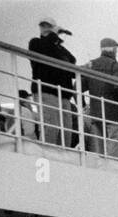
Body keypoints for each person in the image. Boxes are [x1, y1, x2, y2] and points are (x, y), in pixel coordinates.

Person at [82, 38, 118, 158]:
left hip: (95, 113)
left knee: (98, 143)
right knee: (114, 143)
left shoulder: (92, 65)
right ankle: (113, 166)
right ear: (114, 50)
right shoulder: (115, 66)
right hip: (113, 113)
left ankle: (100, 168)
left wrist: (83, 105)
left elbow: (77, 86)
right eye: (116, 50)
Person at [29, 18, 77, 148]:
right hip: (46, 90)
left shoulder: (59, 49)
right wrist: (53, 36)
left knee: (66, 131)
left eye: (49, 26)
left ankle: (62, 159)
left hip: (64, 94)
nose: (45, 28)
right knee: (51, 126)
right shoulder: (36, 43)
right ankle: (47, 156)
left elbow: (72, 61)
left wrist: (56, 40)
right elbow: (44, 50)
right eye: (43, 26)